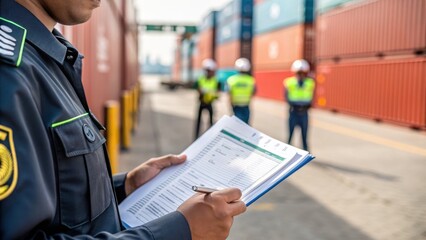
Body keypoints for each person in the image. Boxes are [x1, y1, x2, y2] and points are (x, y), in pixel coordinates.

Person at [0, 0, 246, 239]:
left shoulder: (46, 56)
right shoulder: (9, 73)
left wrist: (126, 187)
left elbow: (59, 204)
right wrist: (179, 232)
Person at [283, 59, 315, 151]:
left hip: (304, 112)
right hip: (293, 111)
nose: (300, 75)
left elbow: (312, 97)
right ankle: (287, 152)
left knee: (304, 136)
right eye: (298, 72)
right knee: (290, 135)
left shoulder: (310, 82)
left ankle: (306, 153)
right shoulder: (289, 82)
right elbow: (286, 96)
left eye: (302, 73)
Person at [194, 58, 219, 139]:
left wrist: (212, 94)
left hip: (210, 102)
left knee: (211, 122)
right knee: (198, 122)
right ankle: (196, 138)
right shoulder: (201, 79)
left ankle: (210, 137)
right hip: (202, 102)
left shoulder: (215, 80)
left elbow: (217, 92)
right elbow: (198, 88)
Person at [226, 58, 256, 125]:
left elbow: (229, 94)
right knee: (246, 126)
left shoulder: (231, 80)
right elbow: (254, 92)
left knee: (236, 126)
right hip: (246, 105)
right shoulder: (251, 80)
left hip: (236, 106)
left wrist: (230, 104)